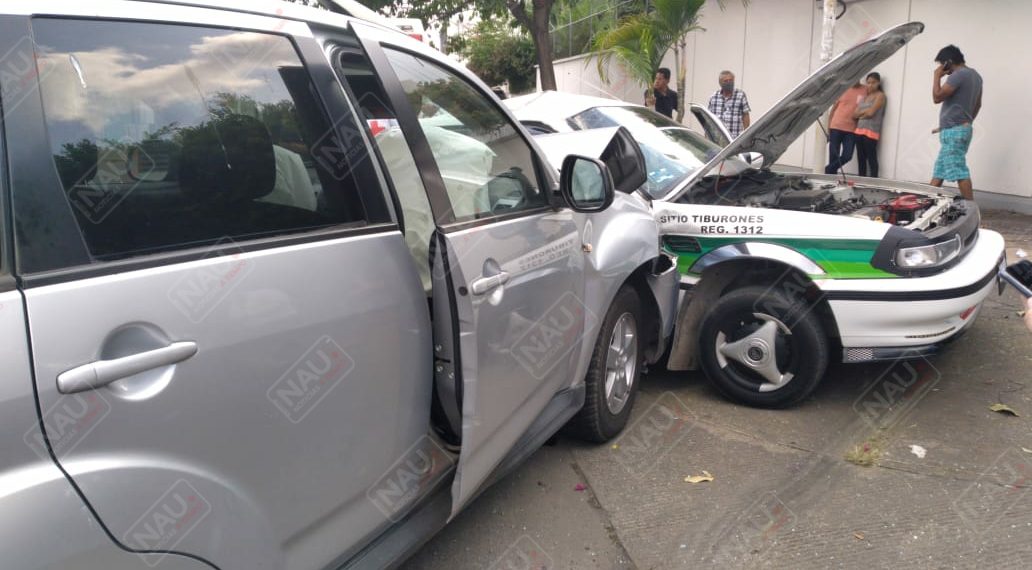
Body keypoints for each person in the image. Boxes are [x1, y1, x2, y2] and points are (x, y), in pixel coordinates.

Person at [931, 44, 983, 201]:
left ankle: (971, 210)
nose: (941, 68)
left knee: (959, 171)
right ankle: (927, 203)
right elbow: (978, 104)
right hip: (958, 129)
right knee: (939, 171)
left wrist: (936, 76)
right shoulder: (976, 76)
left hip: (955, 131)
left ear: (948, 62)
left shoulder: (958, 75)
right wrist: (965, 122)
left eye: (942, 64)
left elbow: (937, 97)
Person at [825, 80, 867, 174]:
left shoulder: (865, 90)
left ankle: (826, 170)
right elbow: (833, 110)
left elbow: (867, 105)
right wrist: (828, 127)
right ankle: (831, 179)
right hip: (836, 127)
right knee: (833, 156)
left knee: (847, 156)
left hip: (851, 130)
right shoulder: (842, 88)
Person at [853, 72, 886, 178]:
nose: (870, 85)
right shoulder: (864, 97)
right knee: (861, 159)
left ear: (878, 83)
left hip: (871, 132)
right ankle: (861, 180)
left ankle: (874, 181)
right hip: (859, 131)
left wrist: (861, 114)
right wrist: (864, 113)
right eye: (868, 83)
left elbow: (871, 113)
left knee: (871, 158)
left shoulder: (880, 96)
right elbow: (854, 114)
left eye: (873, 82)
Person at [707, 70, 750, 138]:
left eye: (731, 80)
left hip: (735, 138)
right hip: (717, 138)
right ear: (720, 83)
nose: (729, 83)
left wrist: (746, 134)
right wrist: (707, 136)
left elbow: (745, 115)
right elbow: (708, 119)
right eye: (726, 81)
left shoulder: (740, 95)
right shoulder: (713, 97)